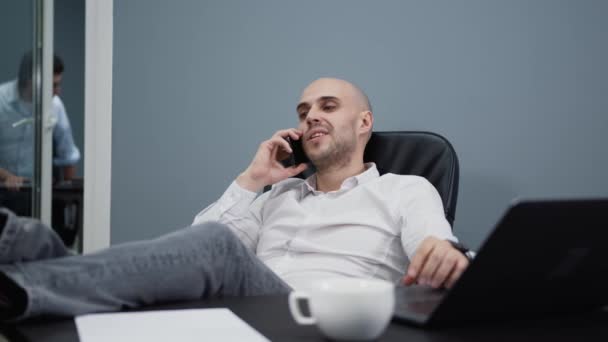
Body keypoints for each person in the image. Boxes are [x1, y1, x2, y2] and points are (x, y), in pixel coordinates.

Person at [0, 77, 471, 321]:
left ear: (364, 122)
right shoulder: (276, 195)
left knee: (218, 248)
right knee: (213, 245)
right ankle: (33, 257)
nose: (311, 119)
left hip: (318, 318)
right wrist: (251, 179)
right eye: (303, 112)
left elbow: (436, 245)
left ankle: (24, 257)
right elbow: (192, 249)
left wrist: (442, 253)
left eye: (328, 107)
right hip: (240, 312)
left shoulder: (405, 188)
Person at [0, 52, 80, 215]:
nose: (58, 91)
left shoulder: (55, 106)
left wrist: (70, 202)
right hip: (3, 193)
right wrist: (7, 176)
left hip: (38, 196)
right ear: (32, 82)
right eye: (54, 85)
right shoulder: (1, 101)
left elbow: (68, 156)